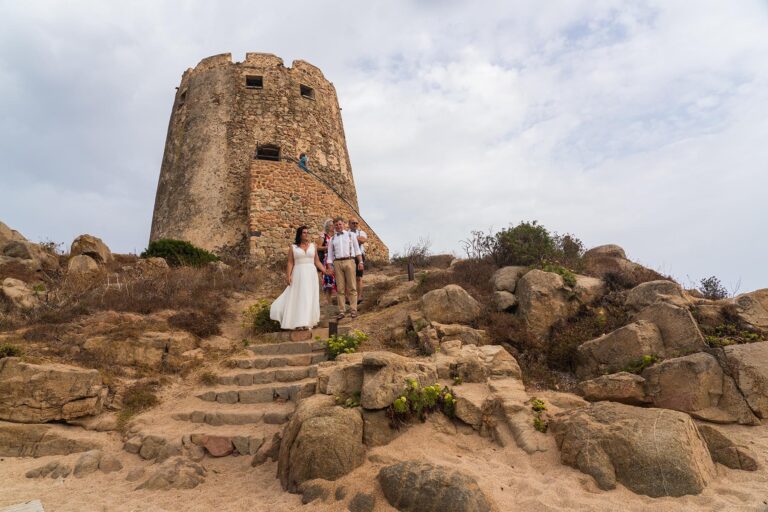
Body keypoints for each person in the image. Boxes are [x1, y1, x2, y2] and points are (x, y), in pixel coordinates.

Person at [270, 226, 328, 331]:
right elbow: (290, 262)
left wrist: (325, 271)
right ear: (300, 235)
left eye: (307, 232)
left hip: (311, 274)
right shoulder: (293, 247)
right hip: (298, 273)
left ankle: (307, 322)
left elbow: (317, 261)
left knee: (309, 297)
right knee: (300, 296)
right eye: (304, 232)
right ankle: (299, 322)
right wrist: (288, 275)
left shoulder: (313, 246)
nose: (306, 234)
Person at [326, 216, 363, 320]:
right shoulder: (332, 239)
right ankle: (342, 311)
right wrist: (330, 267)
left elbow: (357, 250)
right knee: (340, 289)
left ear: (344, 224)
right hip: (337, 263)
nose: (338, 226)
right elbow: (329, 255)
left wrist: (360, 262)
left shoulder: (351, 235)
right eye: (336, 225)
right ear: (334, 226)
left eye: (340, 224)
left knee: (352, 287)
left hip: (350, 260)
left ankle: (353, 310)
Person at [348, 218, 368, 301]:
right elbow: (359, 240)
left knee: (359, 277)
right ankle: (349, 298)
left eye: (356, 223)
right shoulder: (346, 233)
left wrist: (352, 238)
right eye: (353, 223)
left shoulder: (361, 232)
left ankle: (359, 297)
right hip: (350, 256)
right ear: (349, 224)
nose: (355, 224)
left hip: (360, 256)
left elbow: (363, 240)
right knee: (349, 278)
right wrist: (357, 239)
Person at [317, 218, 336, 304]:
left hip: (334, 260)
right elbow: (317, 247)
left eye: (333, 225)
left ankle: (331, 301)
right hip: (326, 260)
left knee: (333, 281)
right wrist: (327, 248)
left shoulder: (335, 236)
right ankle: (327, 301)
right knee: (327, 281)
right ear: (328, 226)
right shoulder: (323, 236)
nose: (333, 227)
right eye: (331, 225)